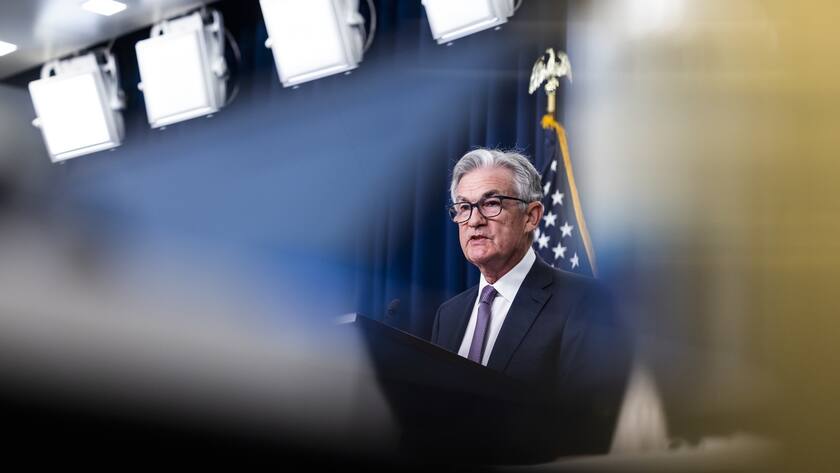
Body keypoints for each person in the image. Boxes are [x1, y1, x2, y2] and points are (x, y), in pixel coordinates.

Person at [430, 148, 631, 457]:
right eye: (464, 207)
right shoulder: (449, 314)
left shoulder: (584, 302)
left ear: (531, 216)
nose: (475, 220)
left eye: (492, 204)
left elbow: (586, 427)